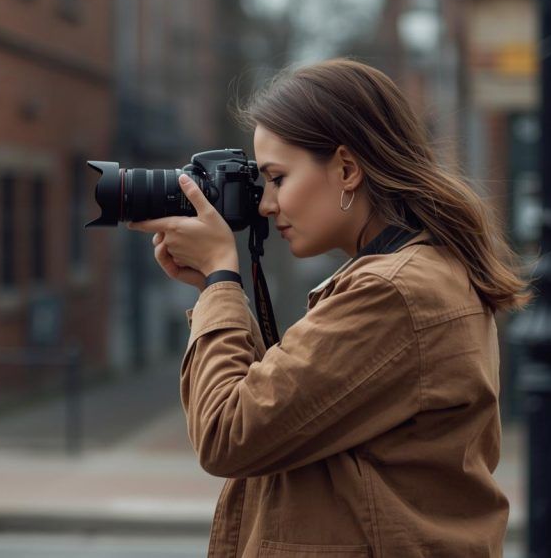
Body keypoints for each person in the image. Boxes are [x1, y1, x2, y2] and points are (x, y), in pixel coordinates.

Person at [126, 57, 530, 558]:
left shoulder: (394, 293)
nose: (266, 204)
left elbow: (228, 433)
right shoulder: (409, 273)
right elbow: (281, 407)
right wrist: (213, 284)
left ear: (346, 168)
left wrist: (221, 280)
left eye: (277, 178)